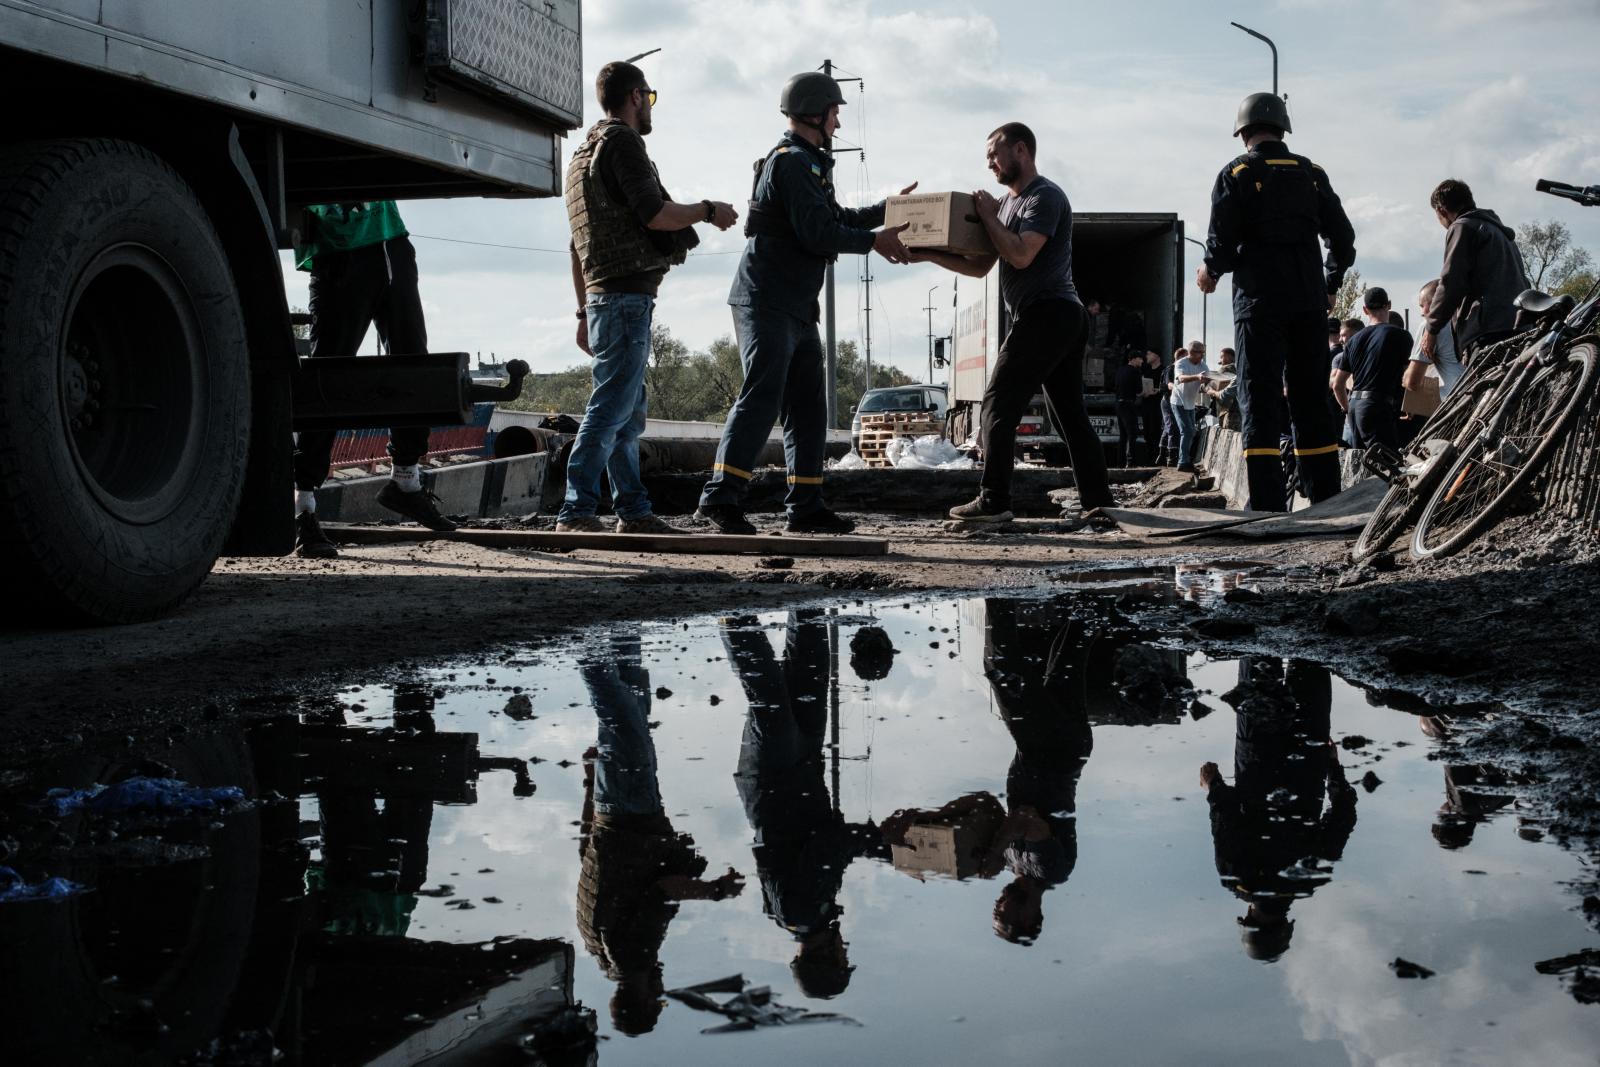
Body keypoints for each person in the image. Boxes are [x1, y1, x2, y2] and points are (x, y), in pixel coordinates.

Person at [695, 72, 914, 535]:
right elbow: (819, 233)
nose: (837, 124)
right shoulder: (792, 164)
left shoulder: (809, 166)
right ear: (815, 113)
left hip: (795, 305)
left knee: (809, 409)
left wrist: (887, 210)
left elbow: (834, 218)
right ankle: (719, 499)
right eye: (835, 114)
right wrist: (875, 241)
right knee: (763, 398)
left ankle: (806, 506)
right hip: (767, 301)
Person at [560, 61, 739, 534]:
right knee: (611, 409)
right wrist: (707, 210)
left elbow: (576, 249)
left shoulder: (581, 157)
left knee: (627, 413)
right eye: (650, 98)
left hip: (605, 301)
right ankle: (576, 511)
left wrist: (582, 311)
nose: (650, 106)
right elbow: (655, 215)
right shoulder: (622, 142)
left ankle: (633, 512)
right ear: (637, 96)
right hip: (623, 300)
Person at [908, 122, 1114, 524]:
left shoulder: (1045, 197)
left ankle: (994, 500)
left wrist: (988, 215)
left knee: (997, 403)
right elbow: (982, 264)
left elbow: (1020, 255)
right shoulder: (1004, 206)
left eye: (993, 155)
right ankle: (1099, 502)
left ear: (1021, 150)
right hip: (1053, 316)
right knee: (1068, 415)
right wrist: (926, 254)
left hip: (1050, 313)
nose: (989, 163)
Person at [577, 627, 744, 1034]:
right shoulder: (597, 948)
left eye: (657, 1000)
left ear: (645, 999)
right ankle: (620, 623)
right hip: (611, 811)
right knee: (633, 700)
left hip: (633, 811)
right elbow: (587, 856)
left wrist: (713, 891)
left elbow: (663, 890)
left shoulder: (634, 957)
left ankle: (581, 638)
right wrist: (588, 784)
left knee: (620, 713)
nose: (661, 991)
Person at [1196, 93, 1357, 512]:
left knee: (1260, 396)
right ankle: (1324, 497)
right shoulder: (1312, 172)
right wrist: (1331, 280)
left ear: (1243, 132)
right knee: (1309, 398)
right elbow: (1342, 238)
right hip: (1307, 301)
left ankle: (1267, 504)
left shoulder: (1237, 172)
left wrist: (1209, 273)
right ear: (1283, 128)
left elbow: (1222, 243)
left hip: (1259, 303)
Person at [722, 611, 885, 998]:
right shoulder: (800, 913)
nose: (845, 947)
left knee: (768, 694)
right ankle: (805, 602)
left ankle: (734, 614)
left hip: (777, 777)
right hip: (800, 772)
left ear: (827, 958)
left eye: (842, 956)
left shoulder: (803, 912)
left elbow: (830, 844)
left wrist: (881, 842)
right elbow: (827, 848)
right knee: (808, 672)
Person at [290, 201, 456, 558]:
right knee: (327, 378)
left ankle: (405, 481)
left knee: (413, 365)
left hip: (391, 243)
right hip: (338, 249)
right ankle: (302, 506)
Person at [1200, 658, 1357, 962]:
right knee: (1257, 652)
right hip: (1257, 755)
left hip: (1308, 755)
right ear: (1249, 917)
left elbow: (1343, 814)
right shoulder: (1236, 878)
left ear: (1285, 925)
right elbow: (1226, 819)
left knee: (1311, 656)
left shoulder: (1310, 877)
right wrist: (1213, 784)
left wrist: (1332, 767)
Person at [1419, 178, 1529, 365]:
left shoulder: (1462, 227)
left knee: (1487, 391)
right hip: (1519, 322)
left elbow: (1451, 282)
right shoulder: (1500, 233)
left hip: (1488, 328)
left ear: (1441, 210)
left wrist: (1431, 328)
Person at [1331, 287, 1414, 450]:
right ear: (1388, 305)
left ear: (1364, 309)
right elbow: (1408, 376)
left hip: (1355, 405)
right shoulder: (1400, 336)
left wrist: (1348, 409)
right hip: (1378, 406)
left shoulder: (1353, 340)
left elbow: (1337, 385)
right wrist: (1410, 405)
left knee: (1359, 464)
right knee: (1387, 462)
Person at [1403, 278, 1465, 399]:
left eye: (1422, 305)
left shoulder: (1429, 329)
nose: (1421, 312)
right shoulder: (1469, 319)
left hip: (1459, 403)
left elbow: (1412, 382)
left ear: (1435, 303)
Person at [1171, 340, 1211, 472]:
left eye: (1203, 353)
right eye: (1200, 353)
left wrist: (1207, 384)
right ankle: (1183, 462)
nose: (1202, 356)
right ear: (1191, 353)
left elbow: (1205, 386)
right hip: (1179, 402)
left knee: (1191, 431)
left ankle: (1185, 459)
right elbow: (1181, 378)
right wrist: (1197, 377)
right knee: (1187, 431)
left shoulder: (1203, 366)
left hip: (1190, 403)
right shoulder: (1181, 363)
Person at [1114, 349, 1146, 467]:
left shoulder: (1120, 370)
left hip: (1118, 404)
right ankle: (1130, 462)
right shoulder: (1135, 371)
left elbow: (1116, 386)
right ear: (1133, 359)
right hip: (1128, 404)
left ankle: (1120, 462)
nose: (1142, 361)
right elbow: (1139, 391)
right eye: (1140, 358)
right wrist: (1146, 392)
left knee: (1123, 435)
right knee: (1132, 433)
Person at [1205, 346, 1240, 430]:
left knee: (1228, 433)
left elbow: (1212, 382)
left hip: (1228, 409)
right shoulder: (1237, 369)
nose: (1220, 360)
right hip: (1235, 409)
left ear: (1228, 357)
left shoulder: (1226, 369)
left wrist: (1207, 388)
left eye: (1222, 357)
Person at [1141, 350, 1166, 463]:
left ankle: (1157, 458)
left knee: (1155, 431)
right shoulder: (1146, 370)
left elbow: (1168, 387)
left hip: (1157, 405)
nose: (1147, 356)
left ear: (1156, 355)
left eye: (1149, 353)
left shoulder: (1164, 370)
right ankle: (1149, 458)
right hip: (1146, 404)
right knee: (1147, 432)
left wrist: (1158, 391)